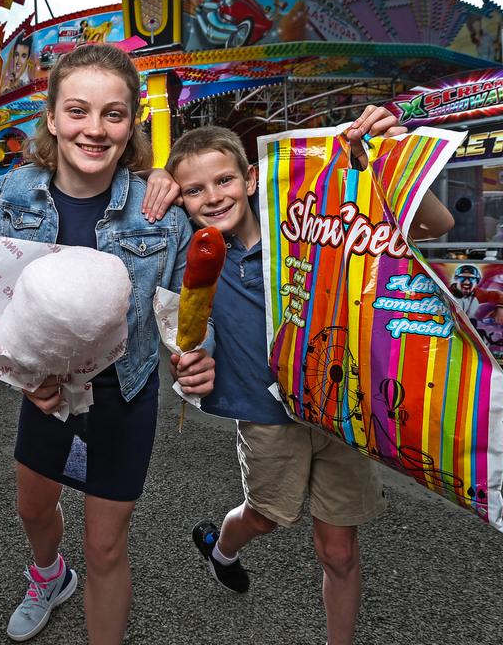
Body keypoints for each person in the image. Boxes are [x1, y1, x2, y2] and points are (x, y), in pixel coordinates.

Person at [166, 110, 454, 645]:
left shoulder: (310, 228)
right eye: (193, 189)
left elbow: (436, 227)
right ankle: (222, 547)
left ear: (251, 178)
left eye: (224, 179)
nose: (212, 196)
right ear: (180, 200)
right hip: (265, 416)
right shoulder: (189, 251)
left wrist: (388, 158)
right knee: (267, 517)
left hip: (341, 407)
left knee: (339, 550)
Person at [0, 43, 215, 644]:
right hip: (45, 393)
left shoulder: (162, 213)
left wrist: (196, 353)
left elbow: (187, 311)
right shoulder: (8, 197)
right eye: (78, 111)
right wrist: (24, 378)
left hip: (124, 395)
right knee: (33, 509)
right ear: (52, 118)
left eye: (114, 113)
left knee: (106, 547)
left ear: (133, 122)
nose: (95, 128)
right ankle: (50, 575)